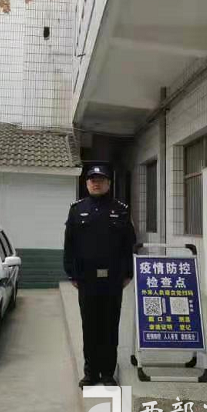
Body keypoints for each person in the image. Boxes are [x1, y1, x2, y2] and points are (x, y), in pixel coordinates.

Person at [63, 165, 136, 388]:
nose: (96, 183)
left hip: (113, 280)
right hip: (87, 280)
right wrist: (71, 273)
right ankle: (91, 373)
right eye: (92, 179)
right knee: (90, 326)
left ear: (108, 183)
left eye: (101, 179)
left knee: (110, 326)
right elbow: (69, 244)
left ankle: (107, 373)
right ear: (86, 184)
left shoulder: (120, 210)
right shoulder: (77, 210)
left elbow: (129, 244)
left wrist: (128, 273)